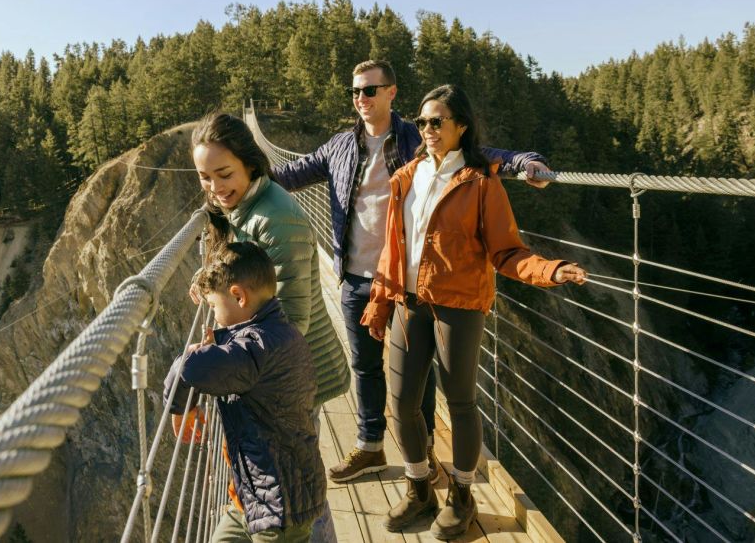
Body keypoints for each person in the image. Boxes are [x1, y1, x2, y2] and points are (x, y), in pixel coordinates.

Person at [273, 59, 552, 486]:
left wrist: (523, 162)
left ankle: (420, 457)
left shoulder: (416, 137)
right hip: (356, 276)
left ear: (391, 93)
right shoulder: (339, 146)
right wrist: (238, 184)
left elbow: (478, 156)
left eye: (370, 90)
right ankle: (371, 447)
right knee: (365, 367)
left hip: (406, 281)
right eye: (355, 92)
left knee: (414, 380)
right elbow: (291, 174)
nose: (360, 100)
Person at [361, 84, 587, 537]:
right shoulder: (407, 176)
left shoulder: (482, 182)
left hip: (459, 308)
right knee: (402, 403)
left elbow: (507, 251)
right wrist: (381, 300)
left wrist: (551, 270)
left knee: (461, 402)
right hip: (409, 303)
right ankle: (419, 487)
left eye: (437, 122)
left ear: (461, 126)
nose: (427, 130)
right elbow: (393, 248)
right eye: (422, 122)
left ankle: (461, 496)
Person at [191, 112, 349, 541]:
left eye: (223, 174)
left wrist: (227, 362)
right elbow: (244, 274)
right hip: (273, 368)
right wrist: (207, 281)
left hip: (293, 373)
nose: (214, 188)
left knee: (296, 495)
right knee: (298, 490)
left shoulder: (276, 219)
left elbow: (292, 321)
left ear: (251, 164)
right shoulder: (243, 206)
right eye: (204, 177)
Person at [165, 242, 325, 542]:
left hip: (280, 507)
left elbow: (190, 369)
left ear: (238, 296)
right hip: (254, 496)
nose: (213, 318)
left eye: (213, 306)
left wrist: (181, 408)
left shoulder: (252, 351)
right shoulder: (280, 332)